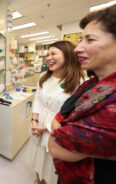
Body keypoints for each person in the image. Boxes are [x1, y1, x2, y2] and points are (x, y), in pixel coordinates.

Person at [48, 4, 116, 184]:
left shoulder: (110, 103)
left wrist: (59, 125)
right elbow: (62, 113)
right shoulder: (93, 84)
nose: (78, 48)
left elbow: (57, 145)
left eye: (90, 40)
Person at [27, 41, 86, 184]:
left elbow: (75, 115)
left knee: (51, 165)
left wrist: (45, 127)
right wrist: (34, 121)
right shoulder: (43, 77)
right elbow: (38, 100)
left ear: (68, 55)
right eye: (47, 54)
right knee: (37, 157)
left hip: (56, 130)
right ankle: (38, 180)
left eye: (53, 53)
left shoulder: (80, 82)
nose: (48, 58)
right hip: (37, 125)